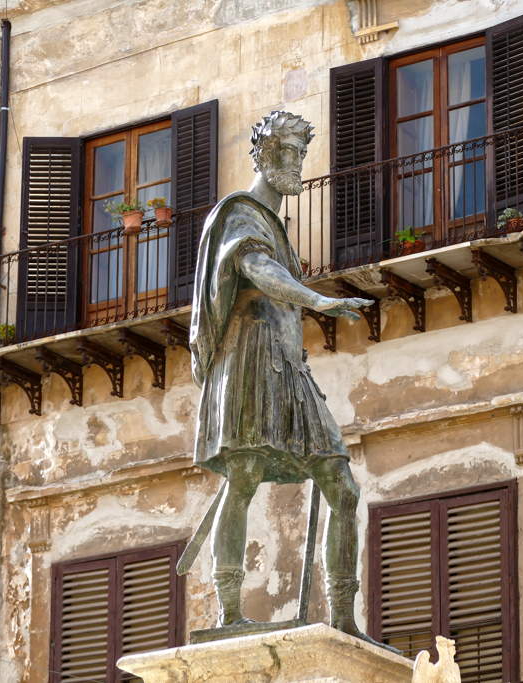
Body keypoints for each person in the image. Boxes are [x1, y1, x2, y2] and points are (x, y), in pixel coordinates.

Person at [189, 111, 381, 647]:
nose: (297, 165)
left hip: (288, 365)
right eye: (289, 154)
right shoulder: (241, 214)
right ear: (265, 156)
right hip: (248, 362)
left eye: (301, 154)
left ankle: (342, 615)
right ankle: (230, 613)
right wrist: (317, 298)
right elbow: (257, 271)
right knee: (243, 477)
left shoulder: (276, 226)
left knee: (341, 484)